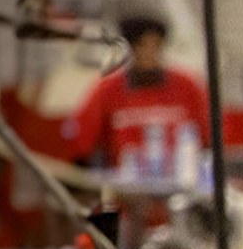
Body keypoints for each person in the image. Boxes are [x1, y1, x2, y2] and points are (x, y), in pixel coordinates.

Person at [68, 16, 210, 173]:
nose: (149, 53)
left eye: (155, 45)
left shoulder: (187, 86)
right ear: (131, 49)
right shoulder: (108, 90)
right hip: (125, 188)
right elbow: (82, 142)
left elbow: (208, 137)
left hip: (181, 183)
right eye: (142, 46)